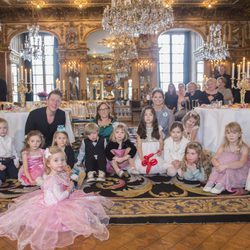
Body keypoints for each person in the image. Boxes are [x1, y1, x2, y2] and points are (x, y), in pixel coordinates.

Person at [0, 146, 112, 250]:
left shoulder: (58, 174)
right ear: (48, 163)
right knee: (78, 212)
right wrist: (69, 189)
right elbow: (59, 198)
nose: (60, 163)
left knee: (84, 202)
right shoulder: (52, 179)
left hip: (55, 198)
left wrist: (68, 182)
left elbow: (60, 187)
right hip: (55, 204)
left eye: (62, 160)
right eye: (56, 160)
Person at [203, 122, 250, 194]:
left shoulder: (244, 147)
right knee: (215, 169)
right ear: (225, 135)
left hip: (237, 170)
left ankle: (222, 184)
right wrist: (218, 166)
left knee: (229, 170)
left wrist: (225, 166)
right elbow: (214, 158)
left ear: (239, 134)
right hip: (222, 167)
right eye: (228, 133)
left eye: (234, 133)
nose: (231, 135)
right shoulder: (223, 146)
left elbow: (241, 163)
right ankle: (211, 182)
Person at [134, 106, 167, 174]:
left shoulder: (158, 128)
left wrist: (160, 150)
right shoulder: (140, 129)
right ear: (142, 117)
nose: (148, 117)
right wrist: (142, 158)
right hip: (144, 152)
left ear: (154, 117)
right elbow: (139, 146)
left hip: (155, 152)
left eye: (150, 115)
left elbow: (161, 142)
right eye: (146, 115)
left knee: (158, 165)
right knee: (142, 167)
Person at [0, 118, 19, 185]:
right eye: (0, 128)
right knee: (2, 177)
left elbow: (14, 151)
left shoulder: (10, 139)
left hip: (10, 160)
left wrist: (16, 161)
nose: (2, 130)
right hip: (1, 161)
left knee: (15, 175)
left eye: (5, 128)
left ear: (7, 129)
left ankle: (9, 173)